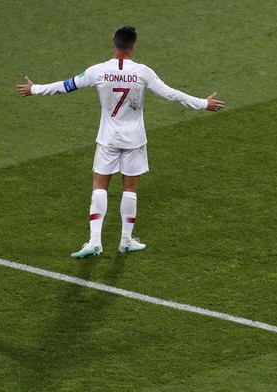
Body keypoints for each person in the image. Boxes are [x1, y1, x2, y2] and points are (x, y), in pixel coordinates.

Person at [16, 26, 225, 259]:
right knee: (130, 188)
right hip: (135, 139)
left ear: (113, 42)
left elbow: (66, 86)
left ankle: (95, 241)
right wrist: (203, 103)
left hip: (108, 139)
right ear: (133, 46)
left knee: (100, 186)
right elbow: (171, 94)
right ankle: (125, 240)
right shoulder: (143, 72)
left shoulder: (98, 71)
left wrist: (34, 89)